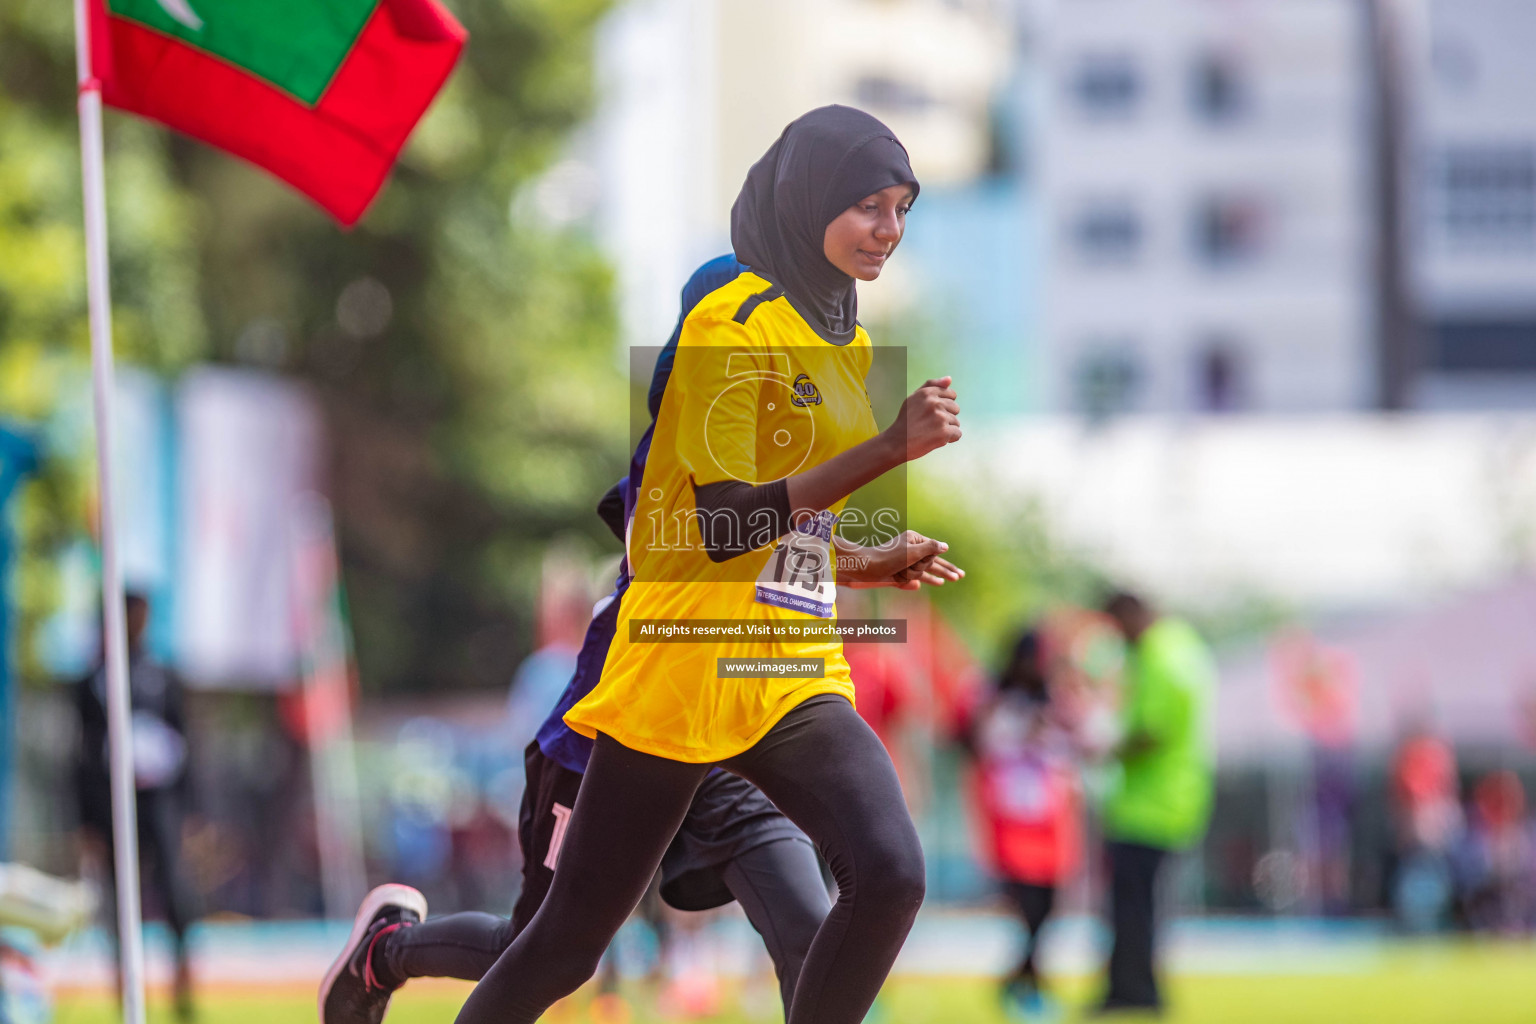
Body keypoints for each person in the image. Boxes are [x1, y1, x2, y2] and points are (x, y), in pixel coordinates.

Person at [319, 231, 945, 1024]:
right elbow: (725, 540)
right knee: (548, 946)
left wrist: (866, 563)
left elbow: (787, 560)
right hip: (633, 722)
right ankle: (387, 954)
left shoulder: (789, 437)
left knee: (810, 927)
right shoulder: (686, 455)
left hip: (746, 725)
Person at [447, 105, 961, 1024]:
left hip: (788, 666)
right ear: (807, 204)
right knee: (564, 947)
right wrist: (888, 447)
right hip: (683, 667)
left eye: (902, 209)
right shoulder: (729, 320)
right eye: (868, 208)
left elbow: (782, 525)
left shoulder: (841, 334)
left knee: (889, 875)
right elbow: (721, 525)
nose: (889, 230)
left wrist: (867, 559)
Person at [74, 591, 197, 1020]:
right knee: (119, 906)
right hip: (112, 806)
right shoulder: (94, 678)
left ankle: (184, 999)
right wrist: (87, 821)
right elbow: (82, 755)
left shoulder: (160, 675)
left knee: (177, 902)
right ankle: (123, 996)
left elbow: (184, 740)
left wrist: (188, 809)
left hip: (158, 805)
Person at [1096, 590, 1216, 1015]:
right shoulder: (1183, 645)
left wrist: (1106, 749)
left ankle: (1134, 992)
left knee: (1132, 907)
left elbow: (1152, 730)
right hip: (1177, 797)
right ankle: (1134, 989)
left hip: (1147, 804)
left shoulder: (1157, 654)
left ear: (1129, 615)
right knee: (1144, 906)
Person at [968, 628, 1082, 1021]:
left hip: (1049, 812)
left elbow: (1074, 745)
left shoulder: (1056, 701)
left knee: (1050, 903)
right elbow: (983, 742)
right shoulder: (994, 697)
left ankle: (1021, 977)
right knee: (1026, 902)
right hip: (1011, 812)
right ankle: (1029, 983)